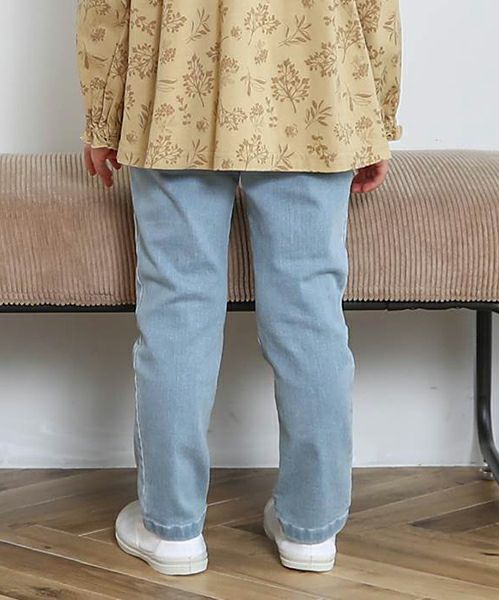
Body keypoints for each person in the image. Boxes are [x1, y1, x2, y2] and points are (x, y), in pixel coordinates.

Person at [76, 0, 402, 576]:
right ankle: (311, 529)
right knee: (309, 315)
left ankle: (170, 529)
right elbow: (375, 8)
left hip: (175, 89)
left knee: (177, 309)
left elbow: (106, 7)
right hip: (314, 90)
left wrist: (103, 118)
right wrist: (374, 115)